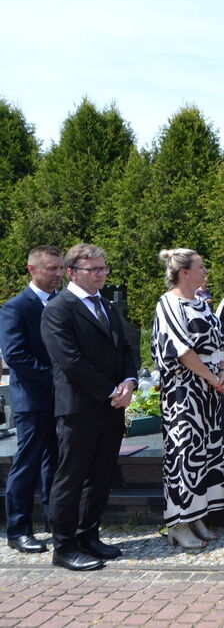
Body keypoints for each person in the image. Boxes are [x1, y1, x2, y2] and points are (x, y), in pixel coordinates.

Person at [40, 244, 137, 571]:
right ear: (71, 273)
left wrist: (129, 382)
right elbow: (70, 361)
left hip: (111, 405)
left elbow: (124, 349)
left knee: (100, 475)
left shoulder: (107, 306)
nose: (101, 274)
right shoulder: (59, 309)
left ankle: (88, 535)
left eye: (103, 268)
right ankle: (64, 546)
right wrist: (111, 391)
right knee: (72, 476)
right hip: (79, 407)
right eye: (93, 270)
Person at [151, 249, 224, 550]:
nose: (205, 270)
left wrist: (223, 371)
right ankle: (178, 523)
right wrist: (210, 377)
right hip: (183, 393)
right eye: (201, 266)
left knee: (206, 454)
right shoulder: (168, 304)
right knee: (183, 455)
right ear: (184, 272)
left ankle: (197, 515)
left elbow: (219, 340)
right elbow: (181, 349)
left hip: (209, 391)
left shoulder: (201, 302)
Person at [1, 245, 62, 554]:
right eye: (51, 268)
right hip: (32, 399)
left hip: (61, 400)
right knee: (27, 465)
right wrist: (55, 378)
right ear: (32, 269)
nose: (58, 274)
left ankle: (56, 522)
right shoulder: (15, 307)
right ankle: (19, 529)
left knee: (56, 463)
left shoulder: (61, 303)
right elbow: (15, 355)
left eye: (60, 268)